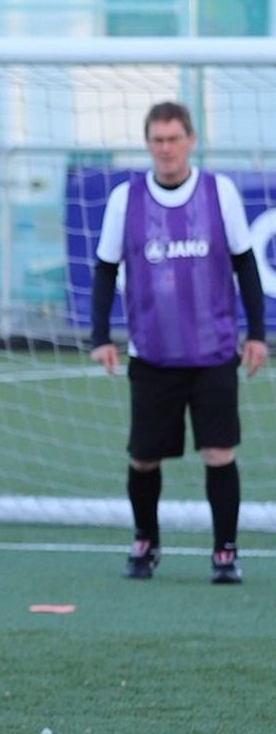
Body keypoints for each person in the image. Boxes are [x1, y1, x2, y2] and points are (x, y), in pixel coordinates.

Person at [90, 100, 267, 583]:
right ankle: (145, 541)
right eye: (157, 140)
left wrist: (257, 334)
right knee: (143, 457)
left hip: (212, 354)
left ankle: (225, 552)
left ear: (191, 140)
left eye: (173, 139)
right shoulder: (126, 200)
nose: (165, 149)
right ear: (147, 144)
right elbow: (105, 269)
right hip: (152, 355)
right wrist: (100, 336)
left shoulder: (219, 192)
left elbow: (245, 264)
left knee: (219, 453)